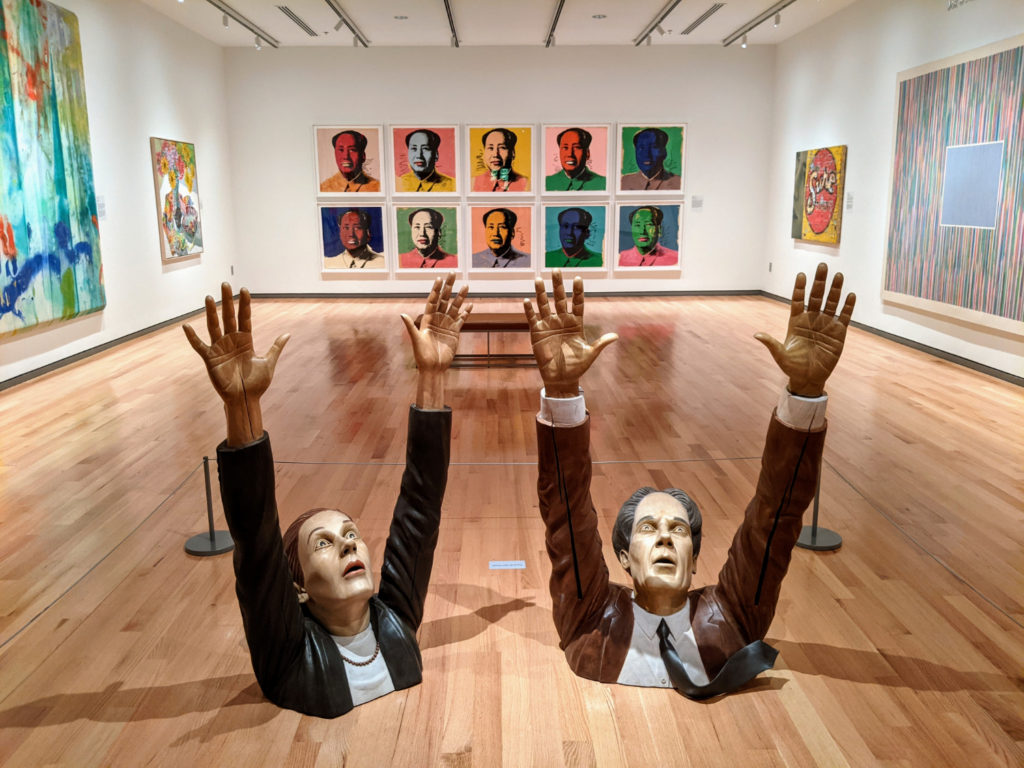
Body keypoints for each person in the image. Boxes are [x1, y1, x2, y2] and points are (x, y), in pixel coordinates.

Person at [526, 264, 855, 698]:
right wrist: (562, 391)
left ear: (695, 559)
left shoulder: (731, 617)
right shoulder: (592, 619)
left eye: (678, 530)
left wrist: (805, 392)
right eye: (649, 528)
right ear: (623, 558)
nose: (665, 537)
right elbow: (566, 513)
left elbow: (775, 517)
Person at [183, 274, 472, 718]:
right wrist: (241, 406)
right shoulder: (289, 657)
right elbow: (257, 540)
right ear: (296, 587)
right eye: (323, 543)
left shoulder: (395, 619)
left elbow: (421, 505)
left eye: (350, 534)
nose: (348, 545)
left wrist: (431, 376)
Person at [471, 128, 529, 192]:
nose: (495, 154)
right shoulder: (473, 183)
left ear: (513, 153)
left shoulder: (526, 184)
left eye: (502, 147)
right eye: (490, 148)